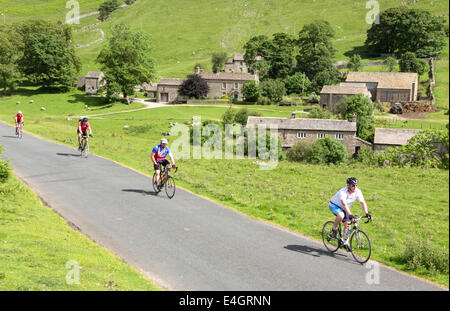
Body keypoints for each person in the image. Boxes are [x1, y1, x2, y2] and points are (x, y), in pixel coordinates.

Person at [328, 177, 372, 247]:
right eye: (353, 185)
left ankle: (345, 242)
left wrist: (367, 213)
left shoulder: (358, 191)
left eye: (356, 185)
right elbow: (344, 204)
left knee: (348, 223)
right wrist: (350, 214)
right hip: (334, 205)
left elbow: (363, 202)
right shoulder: (343, 192)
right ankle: (334, 229)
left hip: (345, 208)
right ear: (348, 185)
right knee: (341, 215)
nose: (355, 187)